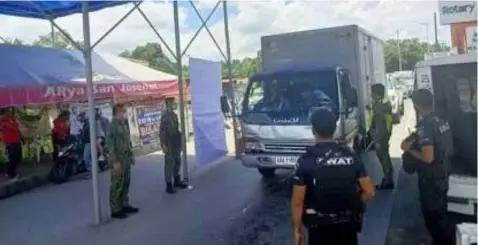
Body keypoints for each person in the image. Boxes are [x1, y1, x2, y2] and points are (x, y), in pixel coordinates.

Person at [291, 108, 375, 245]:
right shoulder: (351, 156)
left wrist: (297, 230)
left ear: (313, 130)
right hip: (347, 226)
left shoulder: (306, 161)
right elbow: (369, 192)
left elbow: (297, 201)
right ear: (334, 129)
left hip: (319, 227)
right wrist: (354, 204)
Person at [401, 89, 453, 245]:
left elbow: (428, 157)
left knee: (434, 221)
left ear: (416, 105)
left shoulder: (425, 126)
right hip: (443, 175)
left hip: (431, 180)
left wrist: (409, 150)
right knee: (441, 216)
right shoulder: (441, 121)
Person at [106, 103, 138, 219]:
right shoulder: (112, 126)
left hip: (126, 158)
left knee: (126, 182)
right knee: (117, 183)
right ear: (117, 112)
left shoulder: (124, 124)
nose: (124, 113)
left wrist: (131, 154)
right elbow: (109, 145)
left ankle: (124, 204)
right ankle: (115, 209)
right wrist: (114, 161)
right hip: (118, 158)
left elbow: (127, 141)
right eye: (122, 111)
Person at [159, 97, 188, 194]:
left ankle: (177, 180)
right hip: (169, 143)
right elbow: (162, 132)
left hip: (175, 142)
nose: (174, 104)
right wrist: (163, 145)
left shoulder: (174, 115)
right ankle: (169, 185)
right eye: (172, 103)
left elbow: (176, 128)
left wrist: (180, 141)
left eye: (174, 103)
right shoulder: (165, 117)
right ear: (168, 104)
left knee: (177, 161)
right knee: (169, 164)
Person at [368, 83, 394, 189]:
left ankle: (388, 180)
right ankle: (388, 178)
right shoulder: (384, 104)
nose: (371, 95)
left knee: (383, 158)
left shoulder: (379, 106)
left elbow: (379, 124)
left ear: (377, 94)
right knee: (385, 157)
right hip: (385, 135)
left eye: (373, 93)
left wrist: (377, 139)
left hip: (380, 137)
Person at [0, 108, 22, 181]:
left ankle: (9, 171)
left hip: (17, 140)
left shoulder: (13, 118)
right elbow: (2, 129)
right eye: (8, 109)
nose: (9, 111)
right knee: (13, 158)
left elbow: (16, 128)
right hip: (10, 141)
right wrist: (5, 129)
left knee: (18, 158)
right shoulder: (2, 120)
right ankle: (11, 174)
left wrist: (20, 136)